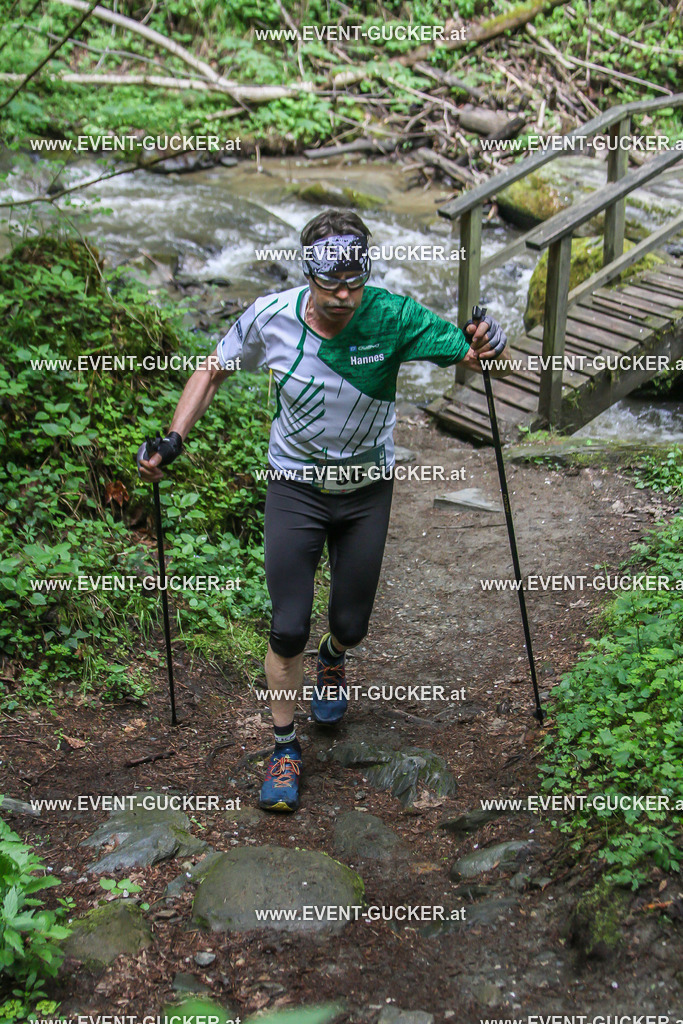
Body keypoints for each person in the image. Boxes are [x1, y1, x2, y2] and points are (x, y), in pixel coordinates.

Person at [137, 209, 511, 813]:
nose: (343, 295)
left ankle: (333, 659)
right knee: (288, 627)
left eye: (354, 281)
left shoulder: (393, 316)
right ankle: (284, 748)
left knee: (351, 625)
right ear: (308, 273)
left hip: (366, 493)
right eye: (331, 282)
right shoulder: (271, 317)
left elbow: (480, 360)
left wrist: (490, 341)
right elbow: (213, 368)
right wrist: (174, 438)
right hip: (296, 489)